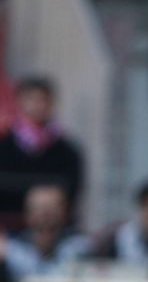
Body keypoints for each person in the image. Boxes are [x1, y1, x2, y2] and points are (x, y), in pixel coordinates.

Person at [0, 77, 85, 230]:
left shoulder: (67, 151)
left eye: (43, 99)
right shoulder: (4, 146)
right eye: (31, 99)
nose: (37, 106)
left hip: (54, 231)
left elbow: (73, 192)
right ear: (19, 102)